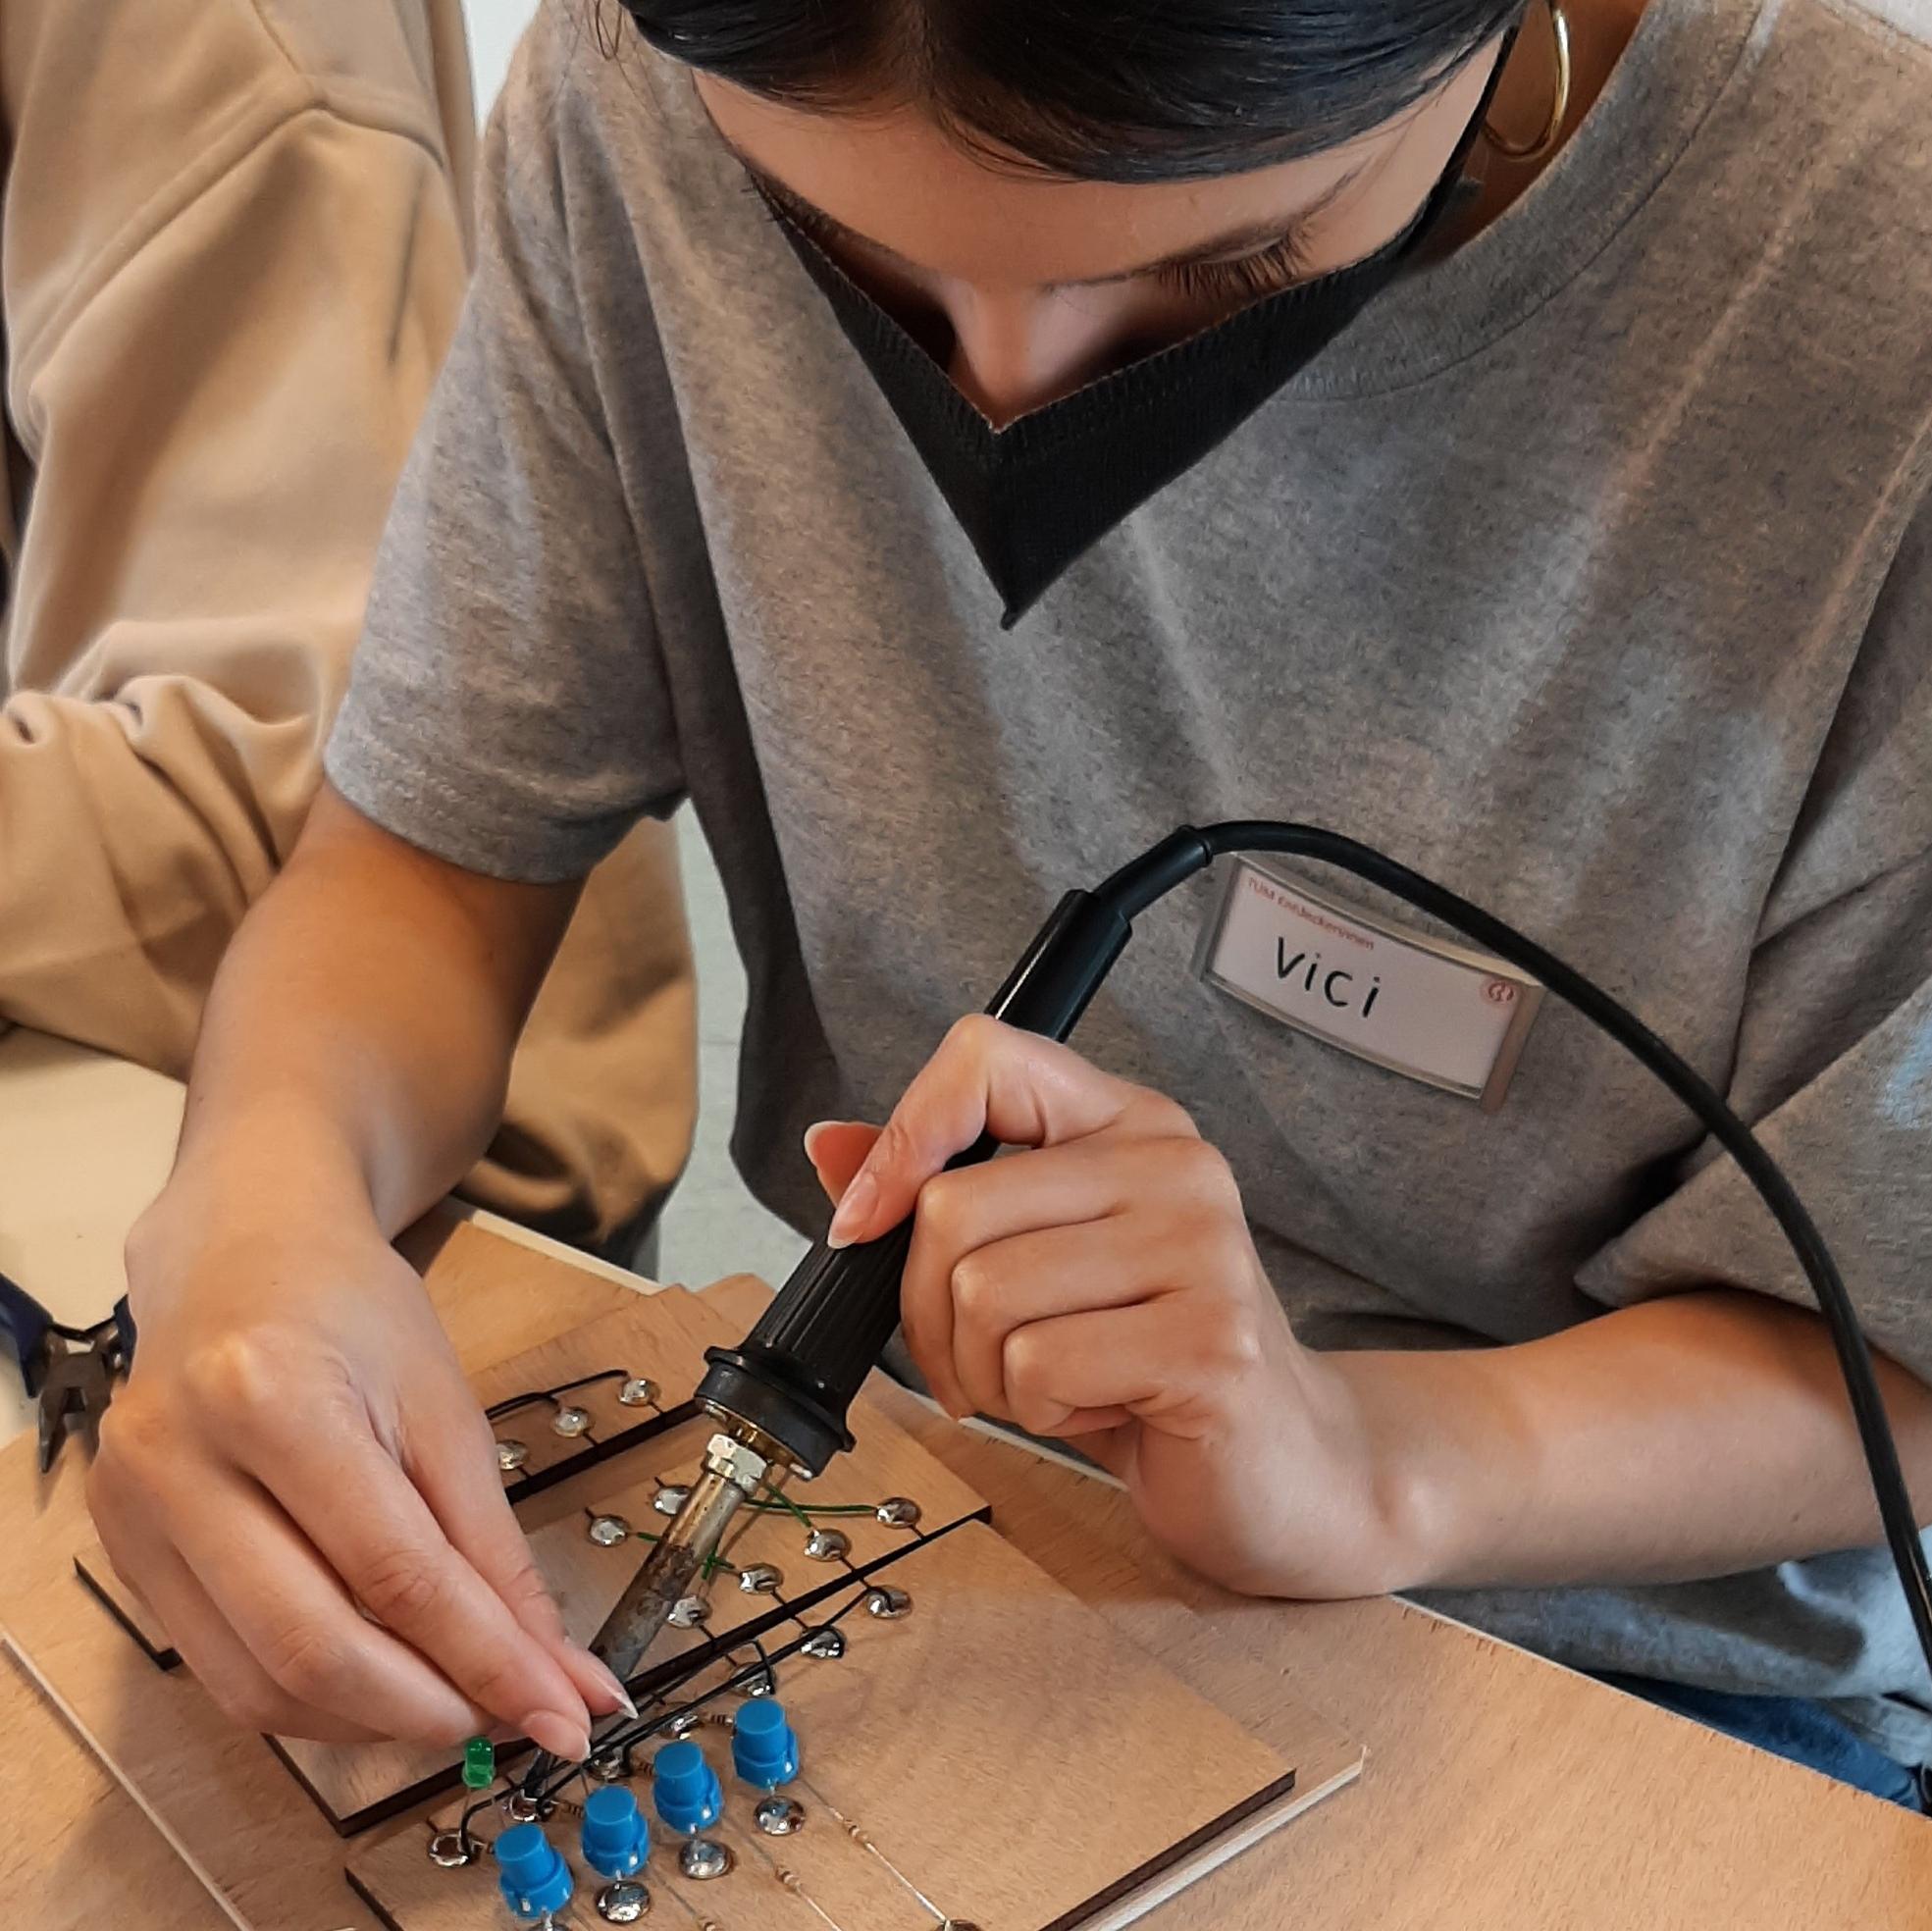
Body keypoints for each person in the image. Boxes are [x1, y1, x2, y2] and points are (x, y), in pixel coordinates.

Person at [90, 0, 1932, 1802]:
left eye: (1223, 267)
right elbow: (427, 860)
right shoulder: (638, 79)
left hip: (1620, 1662)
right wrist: (258, 1205)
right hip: (924, 1477)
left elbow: (1896, 1358)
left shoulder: (1875, 294)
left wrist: (1363, 1461)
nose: (1006, 385)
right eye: (841, 255)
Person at [0, 0, 695, 1258]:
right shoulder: (610, 95)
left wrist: (278, 1196)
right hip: (271, 1155)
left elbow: (314, 803)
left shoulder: (213, 38)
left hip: (432, 1189)